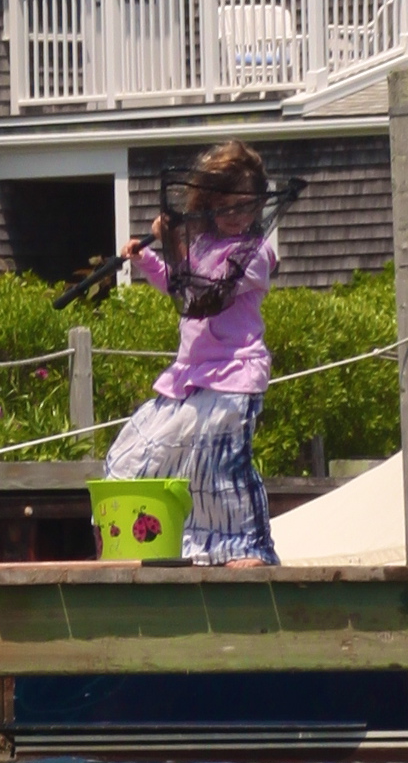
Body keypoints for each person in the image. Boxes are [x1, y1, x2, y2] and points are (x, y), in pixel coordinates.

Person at [107, 141, 281, 564]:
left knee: (221, 465)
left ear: (259, 206)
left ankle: (248, 547)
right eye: (224, 206)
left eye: (245, 206)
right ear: (208, 204)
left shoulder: (256, 253)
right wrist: (149, 258)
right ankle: (174, 543)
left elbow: (208, 292)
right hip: (190, 375)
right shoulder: (201, 246)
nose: (235, 215)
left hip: (235, 373)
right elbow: (180, 285)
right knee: (137, 452)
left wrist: (174, 243)